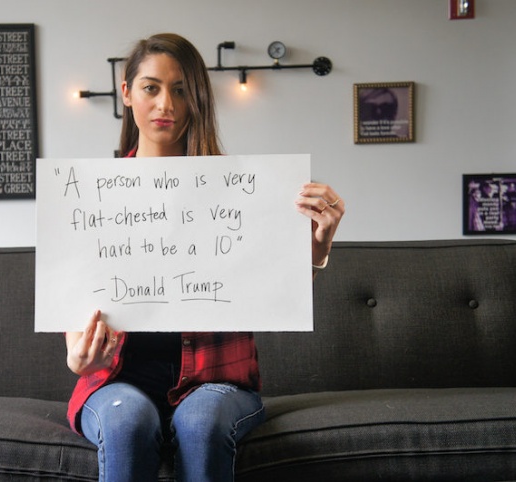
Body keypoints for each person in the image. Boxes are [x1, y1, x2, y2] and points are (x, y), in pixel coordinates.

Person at [64, 33, 345, 482]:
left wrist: (316, 250)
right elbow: (77, 343)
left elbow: (276, 298)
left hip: (216, 381)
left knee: (200, 421)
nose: (165, 104)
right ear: (126, 93)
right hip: (118, 383)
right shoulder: (90, 199)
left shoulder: (240, 192)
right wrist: (82, 362)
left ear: (197, 99)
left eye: (180, 89)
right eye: (151, 87)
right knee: (126, 422)